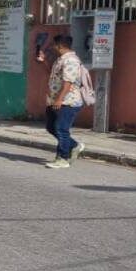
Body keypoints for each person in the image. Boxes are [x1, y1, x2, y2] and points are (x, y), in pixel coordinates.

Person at [40, 34, 85, 169]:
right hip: (55, 100)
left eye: (54, 45)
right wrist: (43, 61)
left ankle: (63, 158)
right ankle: (74, 145)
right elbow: (54, 75)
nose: (53, 47)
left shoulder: (71, 60)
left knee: (61, 129)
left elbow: (68, 83)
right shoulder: (60, 59)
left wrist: (59, 100)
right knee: (51, 127)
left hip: (68, 101)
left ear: (59, 46)